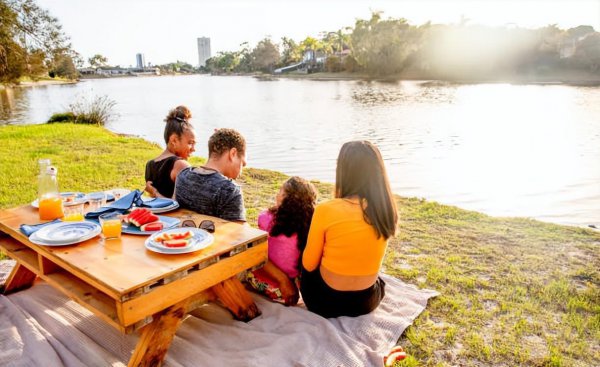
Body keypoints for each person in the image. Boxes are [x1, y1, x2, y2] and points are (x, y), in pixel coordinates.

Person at [300, 140, 398, 318]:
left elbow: (308, 264)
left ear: (343, 172)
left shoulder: (326, 209)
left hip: (323, 303)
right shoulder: (386, 209)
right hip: (367, 302)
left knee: (306, 261)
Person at [246, 176, 317, 306]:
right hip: (293, 281)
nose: (277, 194)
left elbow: (257, 250)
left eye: (280, 192)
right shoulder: (311, 223)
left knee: (244, 267)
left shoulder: (266, 218)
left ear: (286, 199)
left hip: (272, 283)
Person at [174, 128, 247, 222]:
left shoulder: (183, 175)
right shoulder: (230, 190)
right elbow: (239, 233)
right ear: (233, 154)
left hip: (185, 235)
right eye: (242, 164)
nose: (240, 172)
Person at [145, 106, 196, 198]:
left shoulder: (150, 165)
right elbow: (176, 205)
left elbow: (154, 204)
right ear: (174, 140)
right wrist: (155, 193)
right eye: (190, 143)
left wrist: (153, 192)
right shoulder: (181, 165)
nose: (193, 149)